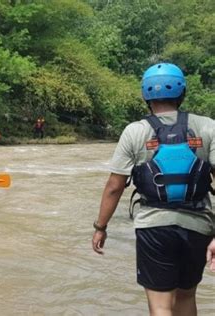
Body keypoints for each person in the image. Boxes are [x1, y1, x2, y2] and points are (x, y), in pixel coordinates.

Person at [91, 63, 215, 315]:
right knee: (186, 297)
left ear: (145, 95)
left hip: (154, 228)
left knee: (160, 307)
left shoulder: (135, 131)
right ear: (182, 92)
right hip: (199, 226)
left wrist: (100, 227)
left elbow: (115, 187)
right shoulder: (208, 127)